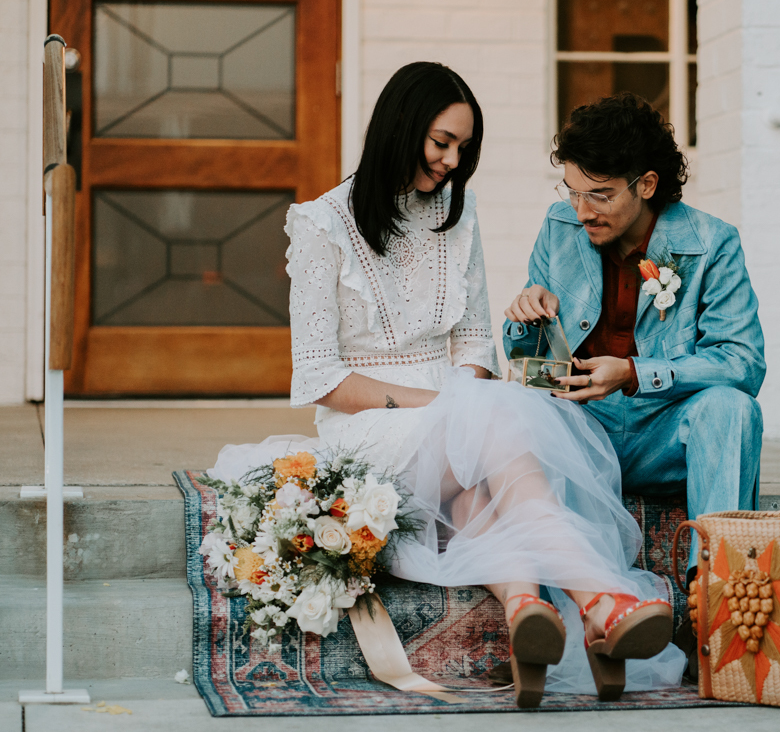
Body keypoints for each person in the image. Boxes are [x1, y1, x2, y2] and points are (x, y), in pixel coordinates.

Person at [210, 64, 682, 708]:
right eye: (441, 142)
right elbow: (319, 376)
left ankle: (523, 611)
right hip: (371, 424)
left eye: (464, 148)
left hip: (461, 403)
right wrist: (448, 408)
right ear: (400, 129)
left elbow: (474, 343)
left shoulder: (457, 214)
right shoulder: (320, 226)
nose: (452, 161)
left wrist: (465, 399)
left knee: (481, 463)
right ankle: (597, 599)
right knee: (493, 429)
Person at [502, 94, 767, 664]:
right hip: (579, 430)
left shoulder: (711, 242)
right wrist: (524, 317)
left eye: (599, 194)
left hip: (661, 434)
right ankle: (546, 623)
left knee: (732, 409)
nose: (582, 210)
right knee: (510, 419)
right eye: (571, 190)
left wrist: (635, 374)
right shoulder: (559, 227)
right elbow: (529, 361)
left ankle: (711, 600)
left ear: (646, 184)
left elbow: (743, 362)